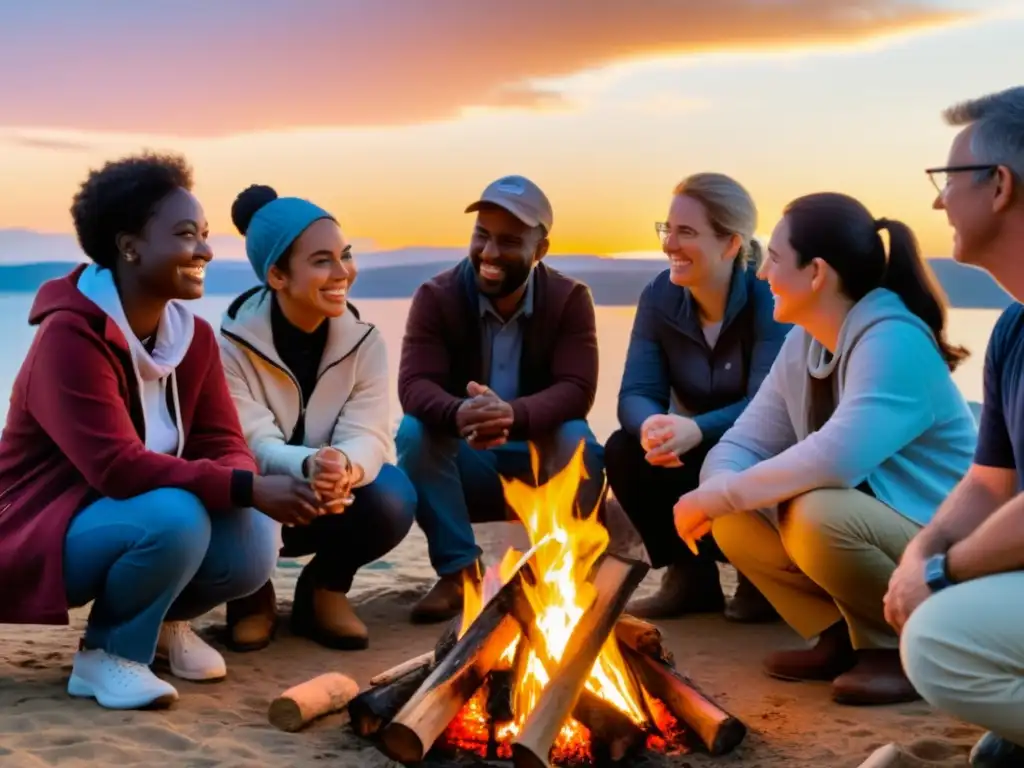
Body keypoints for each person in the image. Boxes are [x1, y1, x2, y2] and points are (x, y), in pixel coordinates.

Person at [0, 153, 323, 710]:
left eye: (204, 234)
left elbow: (222, 442)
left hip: (120, 521)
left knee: (251, 538)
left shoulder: (191, 337)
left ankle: (165, 624)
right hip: (34, 529)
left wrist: (248, 492)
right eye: (185, 235)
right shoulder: (69, 338)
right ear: (130, 247)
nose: (204, 250)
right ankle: (108, 656)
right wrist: (247, 487)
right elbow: (118, 468)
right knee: (176, 514)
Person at [674, 191, 977, 706]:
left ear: (816, 273)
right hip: (885, 535)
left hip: (948, 547)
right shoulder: (807, 340)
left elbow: (835, 458)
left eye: (773, 258)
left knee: (816, 510)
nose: (763, 273)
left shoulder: (895, 340)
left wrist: (717, 495)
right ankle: (840, 636)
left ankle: (901, 647)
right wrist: (717, 491)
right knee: (734, 518)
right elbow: (746, 441)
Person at [396, 175, 602, 623]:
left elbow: (577, 389)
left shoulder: (570, 299)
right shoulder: (436, 296)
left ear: (540, 250)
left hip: (536, 460)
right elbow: (414, 386)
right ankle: (459, 576)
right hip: (471, 464)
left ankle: (560, 576)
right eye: (482, 236)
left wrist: (513, 414)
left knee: (577, 437)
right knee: (414, 431)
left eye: (508, 242)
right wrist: (459, 411)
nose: (489, 253)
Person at [219, 185, 416, 651]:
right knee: (229, 484)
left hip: (331, 496)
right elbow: (252, 441)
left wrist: (341, 468)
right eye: (321, 260)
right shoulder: (228, 347)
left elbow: (369, 434)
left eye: (345, 255)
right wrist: (308, 465)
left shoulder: (365, 342)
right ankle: (250, 594)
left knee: (393, 496)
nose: (342, 272)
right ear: (277, 275)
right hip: (263, 495)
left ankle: (323, 591)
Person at [889, 87, 1024, 766]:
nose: (938, 202)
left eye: (948, 180)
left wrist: (942, 573)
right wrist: (922, 555)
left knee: (940, 640)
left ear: (1000, 186)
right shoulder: (1013, 330)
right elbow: (989, 481)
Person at [605, 173, 789, 621]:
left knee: (751, 452)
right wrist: (651, 424)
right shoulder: (659, 296)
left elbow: (768, 406)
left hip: (761, 448)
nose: (670, 244)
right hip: (692, 449)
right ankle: (689, 577)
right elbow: (635, 392)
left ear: (731, 244)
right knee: (625, 450)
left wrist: (697, 428)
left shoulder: (770, 298)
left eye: (686, 232)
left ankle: (760, 576)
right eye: (667, 229)